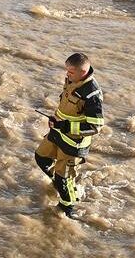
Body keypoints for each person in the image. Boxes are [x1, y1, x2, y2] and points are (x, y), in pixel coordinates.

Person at [34, 52, 104, 219]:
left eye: (71, 72)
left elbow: (96, 126)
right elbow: (66, 105)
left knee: (63, 180)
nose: (67, 74)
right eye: (67, 71)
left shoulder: (91, 95)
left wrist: (65, 126)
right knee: (41, 158)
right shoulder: (71, 81)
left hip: (74, 143)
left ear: (84, 72)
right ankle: (62, 182)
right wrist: (55, 120)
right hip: (57, 132)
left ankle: (67, 207)